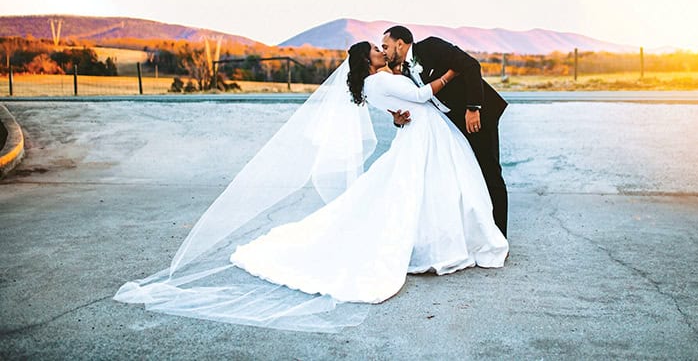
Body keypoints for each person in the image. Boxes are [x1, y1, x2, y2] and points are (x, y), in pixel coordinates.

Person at [114, 42, 507, 332]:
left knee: (418, 190)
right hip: (423, 136)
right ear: (364, 61)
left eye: (383, 45)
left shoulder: (380, 80)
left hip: (424, 135)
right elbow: (420, 95)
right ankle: (432, 245)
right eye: (375, 48)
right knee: (407, 192)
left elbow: (403, 103)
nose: (380, 49)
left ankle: (438, 240)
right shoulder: (379, 80)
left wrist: (398, 114)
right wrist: (451, 74)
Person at [381, 26, 509, 236]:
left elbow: (470, 65)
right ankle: (478, 232)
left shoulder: (431, 47)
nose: (384, 51)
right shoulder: (403, 71)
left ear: (401, 43)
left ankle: (500, 235)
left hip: (477, 117)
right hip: (452, 124)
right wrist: (398, 120)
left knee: (489, 172)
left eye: (386, 46)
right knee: (467, 176)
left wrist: (473, 108)